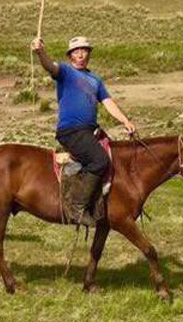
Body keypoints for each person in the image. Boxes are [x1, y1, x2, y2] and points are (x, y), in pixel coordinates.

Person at [31, 34, 137, 225]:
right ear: (70, 55)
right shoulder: (65, 71)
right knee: (100, 160)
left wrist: (125, 121)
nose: (80, 54)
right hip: (71, 131)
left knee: (113, 156)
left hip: (90, 131)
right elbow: (50, 66)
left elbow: (108, 103)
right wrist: (41, 53)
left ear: (89, 53)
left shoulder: (95, 80)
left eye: (84, 50)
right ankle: (76, 207)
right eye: (76, 51)